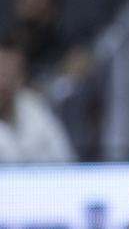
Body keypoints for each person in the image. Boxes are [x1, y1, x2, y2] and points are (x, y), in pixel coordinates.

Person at [0, 34, 77, 163]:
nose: (4, 83)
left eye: (11, 74)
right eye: (1, 73)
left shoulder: (32, 105)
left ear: (21, 77)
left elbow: (65, 161)